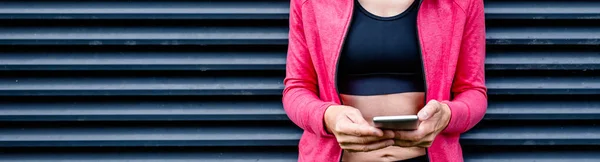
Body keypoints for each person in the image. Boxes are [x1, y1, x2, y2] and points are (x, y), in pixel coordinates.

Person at [282, 0, 487, 161]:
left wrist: (447, 116)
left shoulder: (460, 2)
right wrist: (327, 117)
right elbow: (296, 88)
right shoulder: (310, 3)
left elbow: (473, 91)